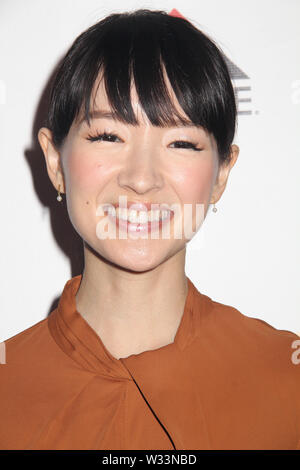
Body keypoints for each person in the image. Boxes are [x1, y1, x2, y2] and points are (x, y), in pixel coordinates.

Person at [0, 9, 299, 451]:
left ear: (221, 174)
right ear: (53, 162)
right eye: (108, 136)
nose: (141, 178)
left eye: (181, 143)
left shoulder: (287, 379)